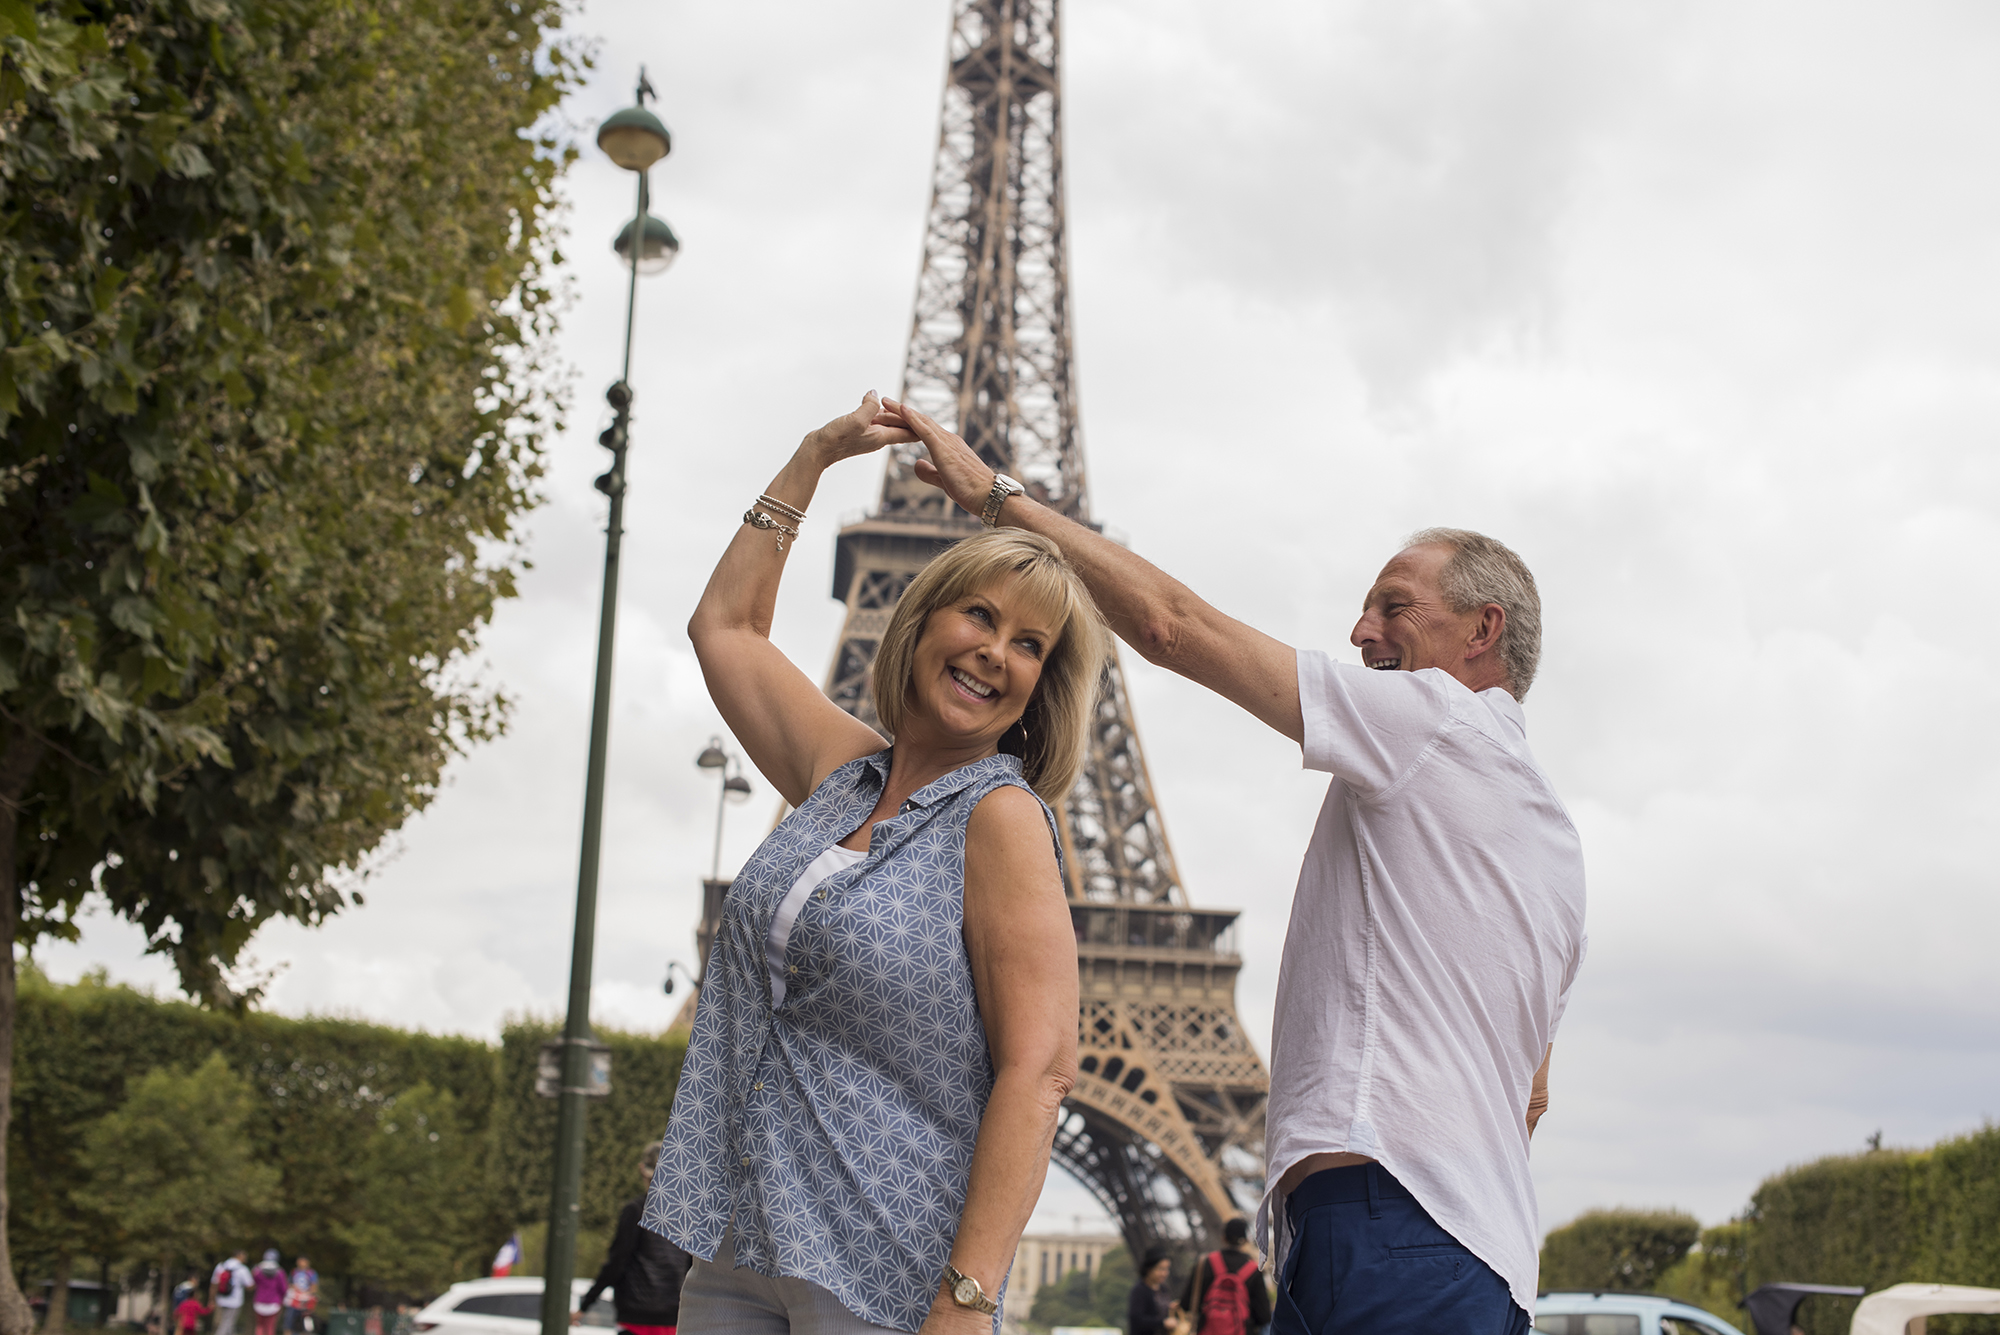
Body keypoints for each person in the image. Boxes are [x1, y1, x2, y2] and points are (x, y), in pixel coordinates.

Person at [885, 401, 1588, 1335]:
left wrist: (998, 498)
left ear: (1481, 632)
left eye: (1393, 605)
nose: (1360, 628)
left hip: (1384, 1229)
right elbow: (1531, 1091)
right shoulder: (1556, 842)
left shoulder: (1432, 718)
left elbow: (1175, 627)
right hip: (1477, 1251)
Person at [642, 393, 1109, 1335]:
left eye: (1029, 645)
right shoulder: (841, 776)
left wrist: (966, 1299)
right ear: (922, 619)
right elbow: (724, 629)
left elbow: (1041, 1067)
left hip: (882, 1268)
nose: (994, 653)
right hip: (738, 1239)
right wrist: (813, 456)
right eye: (979, 614)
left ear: (1037, 689)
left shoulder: (1002, 819)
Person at [575, 1143, 691, 1335]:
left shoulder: (636, 1210)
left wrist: (585, 1305)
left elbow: (617, 1262)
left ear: (642, 1170)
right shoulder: (686, 1213)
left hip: (635, 1316)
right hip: (674, 1317)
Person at [1178, 1220, 1269, 1335]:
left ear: (1223, 1238)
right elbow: (1264, 1317)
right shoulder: (1253, 1270)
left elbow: (1186, 1304)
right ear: (1245, 1241)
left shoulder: (1204, 1263)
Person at [1127, 1249, 1175, 1335]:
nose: (1164, 1273)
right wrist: (1163, 1323)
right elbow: (1136, 1319)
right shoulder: (1139, 1290)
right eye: (1161, 1269)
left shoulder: (1164, 1289)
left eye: (1167, 1269)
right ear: (1149, 1269)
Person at [211, 1252, 252, 1335]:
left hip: (221, 1299)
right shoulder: (242, 1269)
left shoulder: (221, 1266)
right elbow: (250, 1285)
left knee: (229, 1323)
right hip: (235, 1301)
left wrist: (212, 1299)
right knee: (226, 1323)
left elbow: (214, 1284)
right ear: (239, 1256)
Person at [249, 1252, 287, 1335]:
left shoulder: (258, 1271)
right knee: (270, 1327)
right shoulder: (280, 1272)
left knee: (260, 1326)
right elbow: (283, 1289)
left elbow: (252, 1283)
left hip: (259, 1301)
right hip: (274, 1303)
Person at [283, 1258, 317, 1335]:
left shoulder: (311, 1273)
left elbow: (314, 1287)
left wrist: (306, 1294)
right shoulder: (294, 1272)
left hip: (305, 1303)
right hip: (293, 1302)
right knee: (288, 1324)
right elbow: (289, 1284)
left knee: (304, 1326)